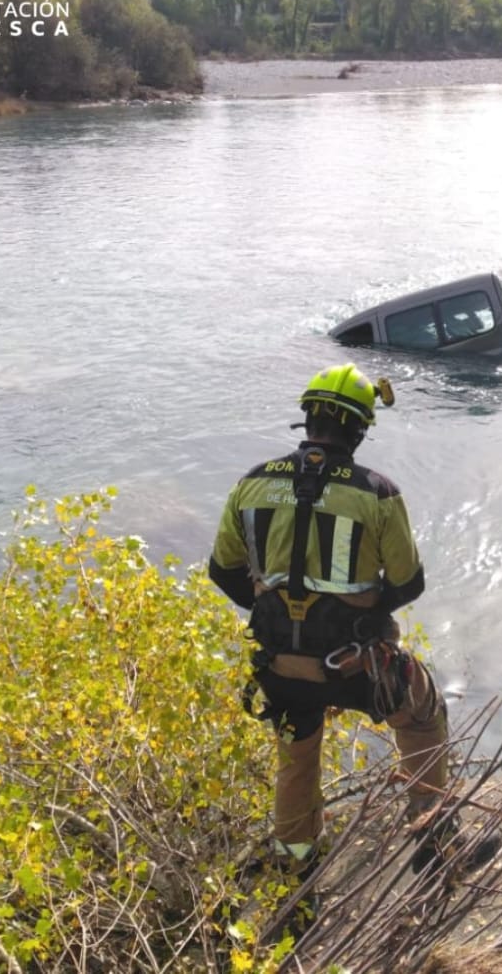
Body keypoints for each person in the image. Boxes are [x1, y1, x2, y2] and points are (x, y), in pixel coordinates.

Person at [208, 363, 451, 874]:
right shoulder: (377, 493)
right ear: (360, 429)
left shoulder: (251, 484)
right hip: (355, 669)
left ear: (308, 419)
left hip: (282, 669)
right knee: (424, 713)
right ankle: (432, 832)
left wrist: (270, 611)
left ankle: (297, 865)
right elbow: (408, 584)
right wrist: (358, 623)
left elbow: (222, 570)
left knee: (296, 760)